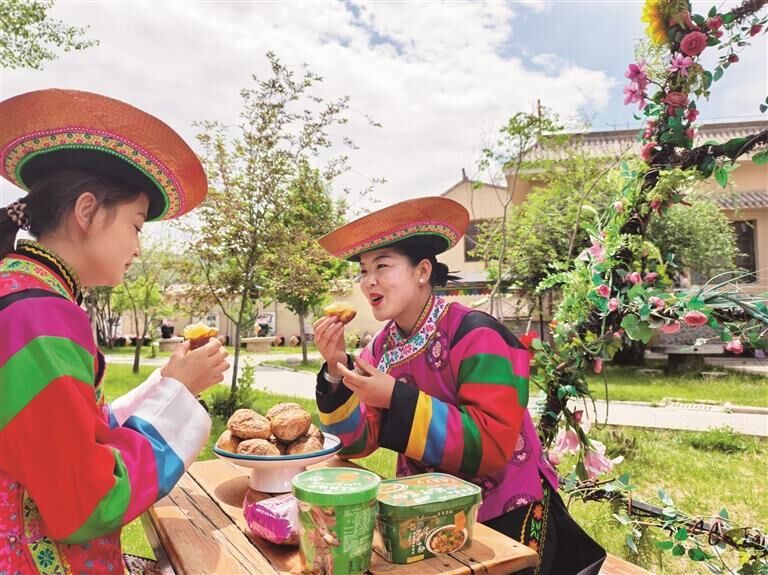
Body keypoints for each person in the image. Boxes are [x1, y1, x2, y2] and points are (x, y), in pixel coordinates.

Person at [0, 89, 229, 575]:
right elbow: (86, 501)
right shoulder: (36, 313)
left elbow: (70, 429)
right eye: (137, 225)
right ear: (87, 212)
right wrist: (180, 393)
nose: (139, 248)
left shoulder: (26, 294)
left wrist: (167, 386)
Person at [312, 197, 606, 575]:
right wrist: (336, 370)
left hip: (503, 513)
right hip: (422, 515)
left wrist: (395, 398)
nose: (369, 281)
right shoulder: (379, 347)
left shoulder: (477, 333)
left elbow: (493, 445)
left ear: (422, 271)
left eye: (382, 266)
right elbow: (356, 444)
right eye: (364, 271)